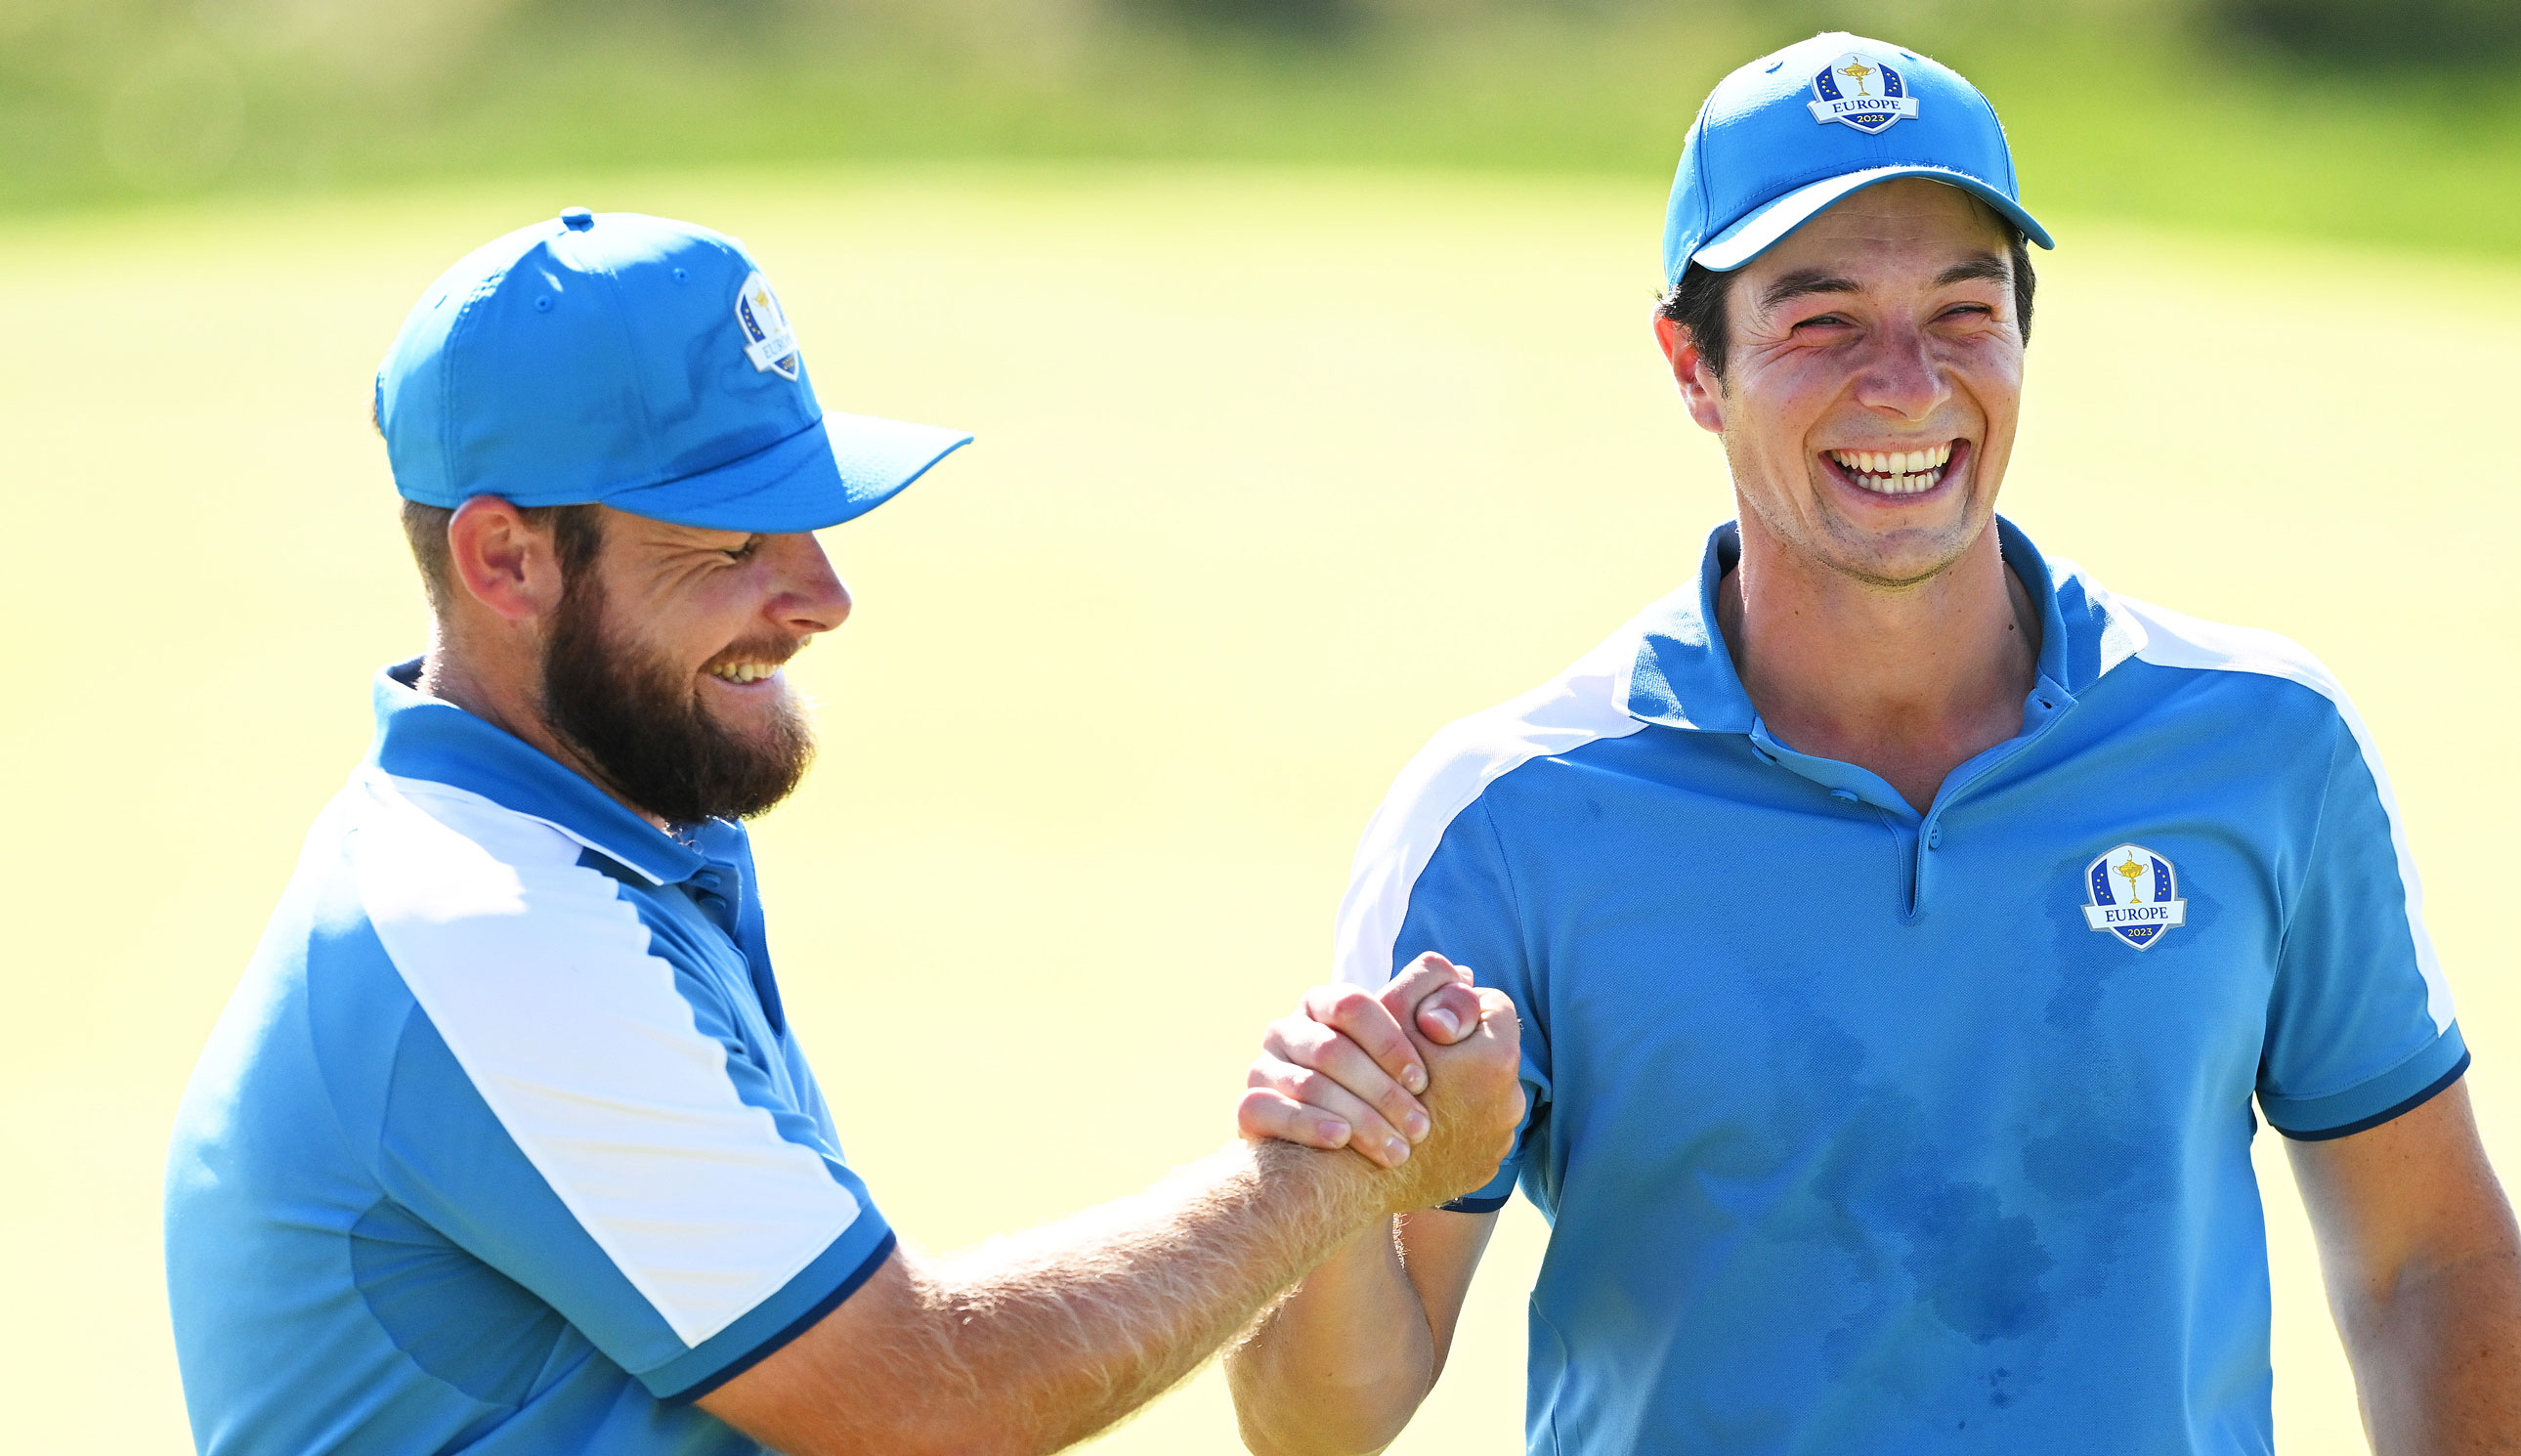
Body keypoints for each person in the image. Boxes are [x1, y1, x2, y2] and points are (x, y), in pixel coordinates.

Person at [1224, 31, 2521, 1456]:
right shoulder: (1509, 813)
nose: (1908, 386)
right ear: (1692, 364)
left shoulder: (2263, 744)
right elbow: (1319, 1426)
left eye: (1964, 313)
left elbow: (2428, 1264)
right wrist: (1328, 1182)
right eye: (1822, 320)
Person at [161, 207, 1524, 1456]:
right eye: (732, 538)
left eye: (805, 514)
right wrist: (1337, 1170)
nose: (823, 593)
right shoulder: (488, 933)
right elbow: (919, 1395)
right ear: (506, 560)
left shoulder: (600, 839)